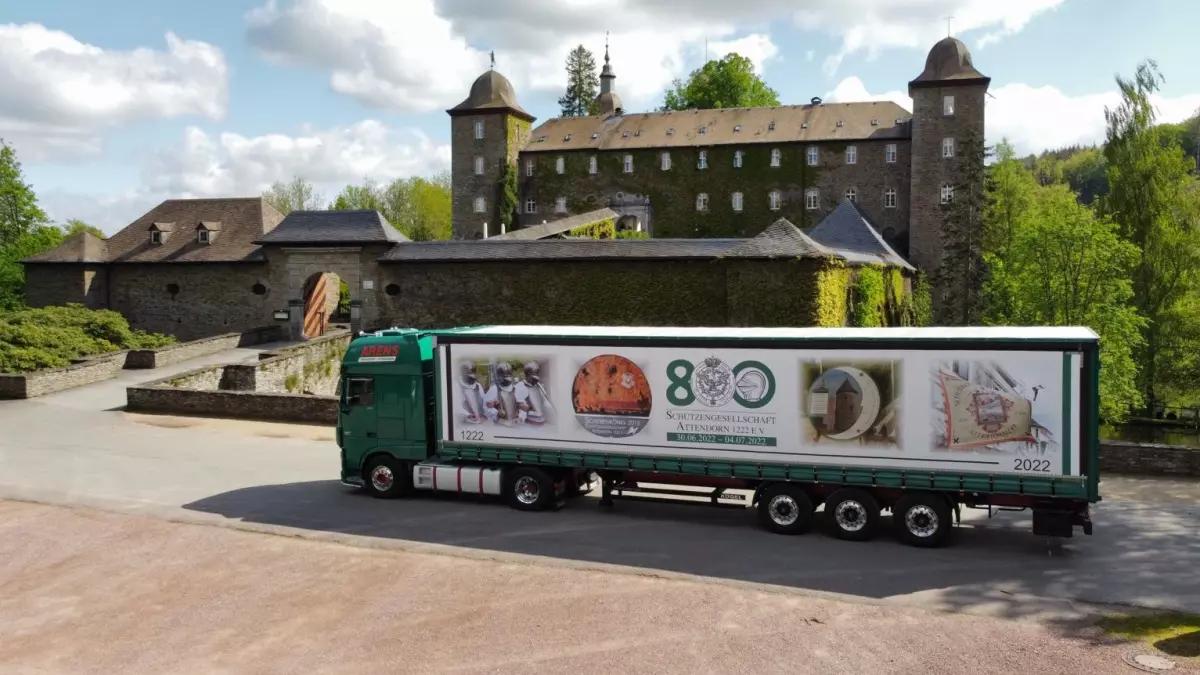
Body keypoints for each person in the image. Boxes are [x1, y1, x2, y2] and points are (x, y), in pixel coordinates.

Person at [515, 361, 552, 425]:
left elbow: (546, 403)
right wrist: (524, 407)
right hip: (528, 424)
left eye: (538, 373)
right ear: (528, 374)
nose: (537, 376)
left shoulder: (539, 386)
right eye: (535, 373)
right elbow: (520, 406)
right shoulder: (520, 386)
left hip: (542, 422)